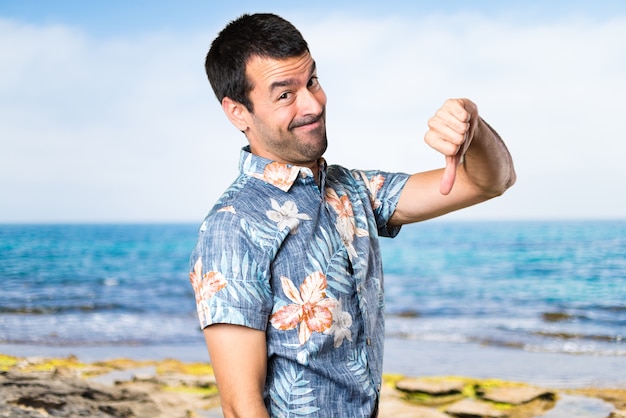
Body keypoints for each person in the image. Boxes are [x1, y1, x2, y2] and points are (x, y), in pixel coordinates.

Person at [189, 12, 515, 418]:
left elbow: (490, 181)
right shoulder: (232, 226)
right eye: (284, 94)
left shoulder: (353, 189)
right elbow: (241, 407)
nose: (311, 104)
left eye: (312, 81)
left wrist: (472, 126)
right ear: (238, 112)